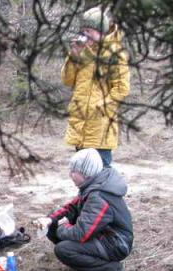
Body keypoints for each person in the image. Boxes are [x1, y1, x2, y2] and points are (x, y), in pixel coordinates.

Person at [34, 149, 133, 271]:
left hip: (116, 243)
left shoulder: (99, 196)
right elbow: (72, 207)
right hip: (103, 234)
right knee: (53, 223)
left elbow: (81, 233)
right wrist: (50, 220)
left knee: (64, 250)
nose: (70, 174)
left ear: (85, 173)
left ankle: (110, 268)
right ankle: (86, 263)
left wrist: (62, 227)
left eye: (73, 171)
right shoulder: (92, 184)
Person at [62, 6, 130, 168]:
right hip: (80, 122)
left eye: (89, 30)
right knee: (81, 171)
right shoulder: (81, 51)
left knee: (101, 172)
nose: (85, 34)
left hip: (100, 126)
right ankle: (84, 195)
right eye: (83, 30)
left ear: (101, 31)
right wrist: (74, 56)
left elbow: (121, 88)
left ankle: (105, 194)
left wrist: (99, 108)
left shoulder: (114, 54)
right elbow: (67, 80)